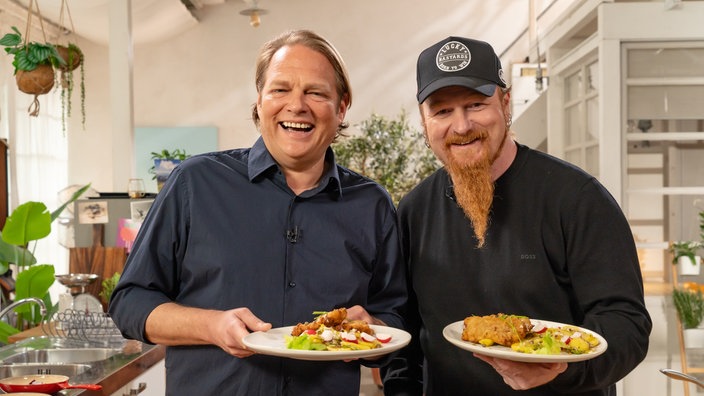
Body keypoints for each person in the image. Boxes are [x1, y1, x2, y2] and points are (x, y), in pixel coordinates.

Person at [108, 29, 407, 396]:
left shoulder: (372, 204)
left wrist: (371, 327)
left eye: (315, 92)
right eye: (280, 89)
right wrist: (212, 325)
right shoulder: (194, 183)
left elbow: (394, 316)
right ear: (260, 101)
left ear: (341, 107)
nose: (296, 105)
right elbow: (129, 303)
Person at [381, 36, 652, 395]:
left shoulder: (577, 199)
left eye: (476, 104)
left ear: (506, 104)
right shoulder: (413, 210)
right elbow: (406, 332)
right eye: (442, 111)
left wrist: (558, 370)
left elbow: (626, 325)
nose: (461, 126)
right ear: (424, 121)